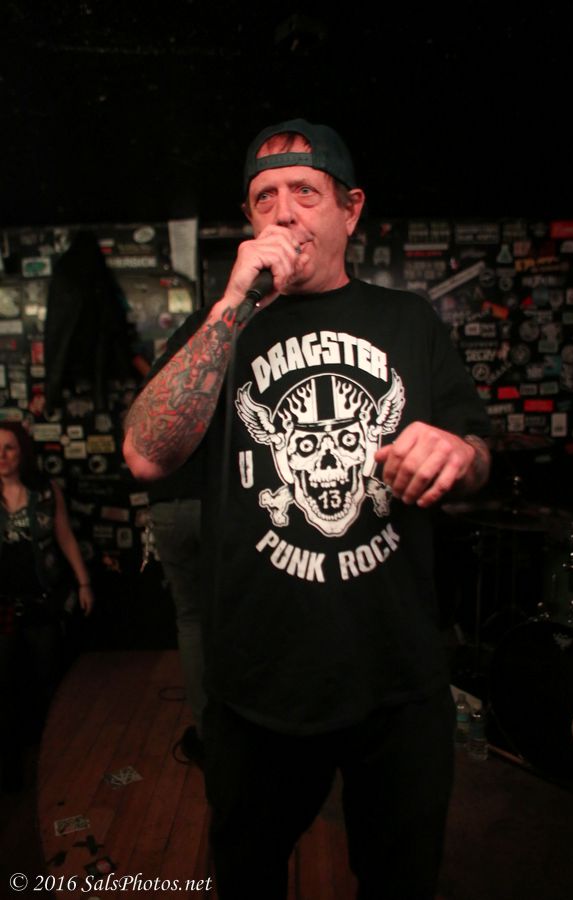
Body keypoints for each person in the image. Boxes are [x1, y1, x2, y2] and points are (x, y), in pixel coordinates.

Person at [123, 118, 491, 900]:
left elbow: (477, 458)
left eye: (304, 192)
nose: (283, 213)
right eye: (264, 198)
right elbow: (147, 455)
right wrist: (232, 304)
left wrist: (460, 455)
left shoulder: (409, 323)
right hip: (259, 686)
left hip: (396, 681)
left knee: (400, 881)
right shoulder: (220, 327)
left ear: (350, 211)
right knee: (248, 876)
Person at [0, 421, 94, 790]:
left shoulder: (44, 490)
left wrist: (84, 583)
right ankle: (10, 771)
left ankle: (56, 763)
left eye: (9, 447)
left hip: (42, 602)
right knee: (5, 688)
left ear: (22, 451)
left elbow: (65, 537)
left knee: (50, 683)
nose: (2, 455)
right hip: (3, 607)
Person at [147, 450, 206, 764]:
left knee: (190, 620)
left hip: (168, 502)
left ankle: (206, 732)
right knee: (234, 613)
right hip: (215, 499)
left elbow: (138, 458)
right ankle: (242, 724)